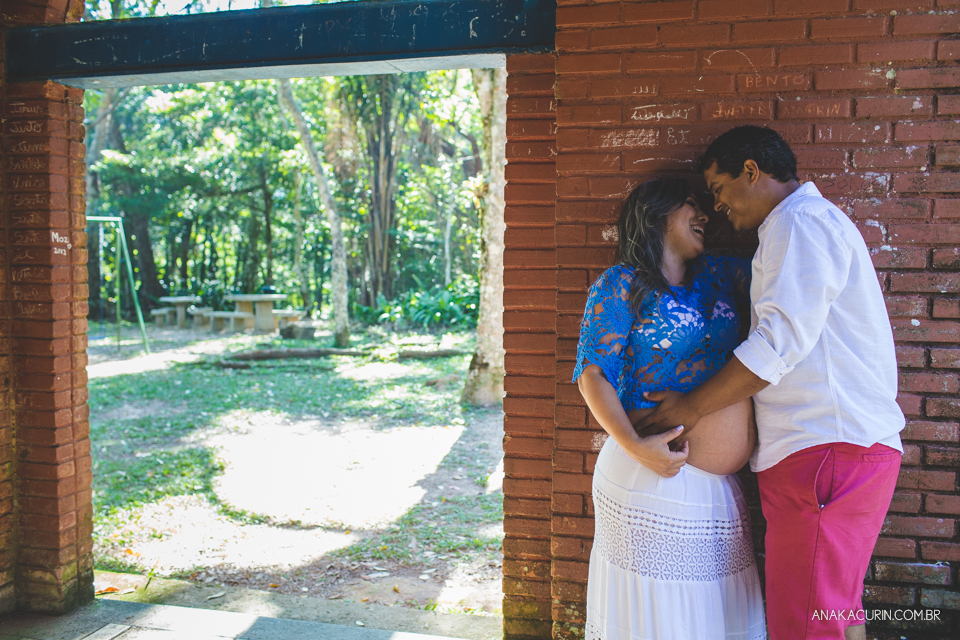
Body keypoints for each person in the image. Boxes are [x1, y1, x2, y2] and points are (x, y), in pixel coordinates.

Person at [636, 126, 904, 640]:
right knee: (833, 614)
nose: (717, 208)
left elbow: (776, 344)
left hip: (826, 451)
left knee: (806, 623)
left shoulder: (798, 224)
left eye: (718, 189)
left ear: (752, 172)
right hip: (832, 453)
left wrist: (690, 408)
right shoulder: (799, 228)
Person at [574, 177, 766, 640]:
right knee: (663, 620)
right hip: (652, 475)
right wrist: (638, 447)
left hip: (713, 488)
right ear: (657, 215)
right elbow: (592, 374)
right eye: (690, 207)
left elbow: (783, 269)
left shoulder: (720, 275)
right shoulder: (622, 283)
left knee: (708, 618)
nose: (705, 215)